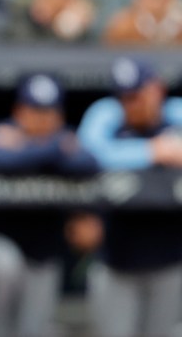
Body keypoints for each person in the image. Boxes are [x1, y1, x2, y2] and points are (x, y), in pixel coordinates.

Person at [0, 72, 99, 337]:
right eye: (34, 110)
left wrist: (31, 146)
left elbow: (89, 163)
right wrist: (54, 147)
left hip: (41, 254)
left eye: (48, 111)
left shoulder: (63, 140)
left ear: (59, 115)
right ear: (18, 110)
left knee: (34, 329)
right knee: (5, 265)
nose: (41, 118)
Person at [77, 56, 182, 337]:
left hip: (171, 262)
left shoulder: (175, 118)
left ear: (157, 89)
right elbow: (86, 153)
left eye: (137, 95)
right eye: (124, 98)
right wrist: (151, 152)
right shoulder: (109, 122)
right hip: (116, 263)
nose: (130, 104)